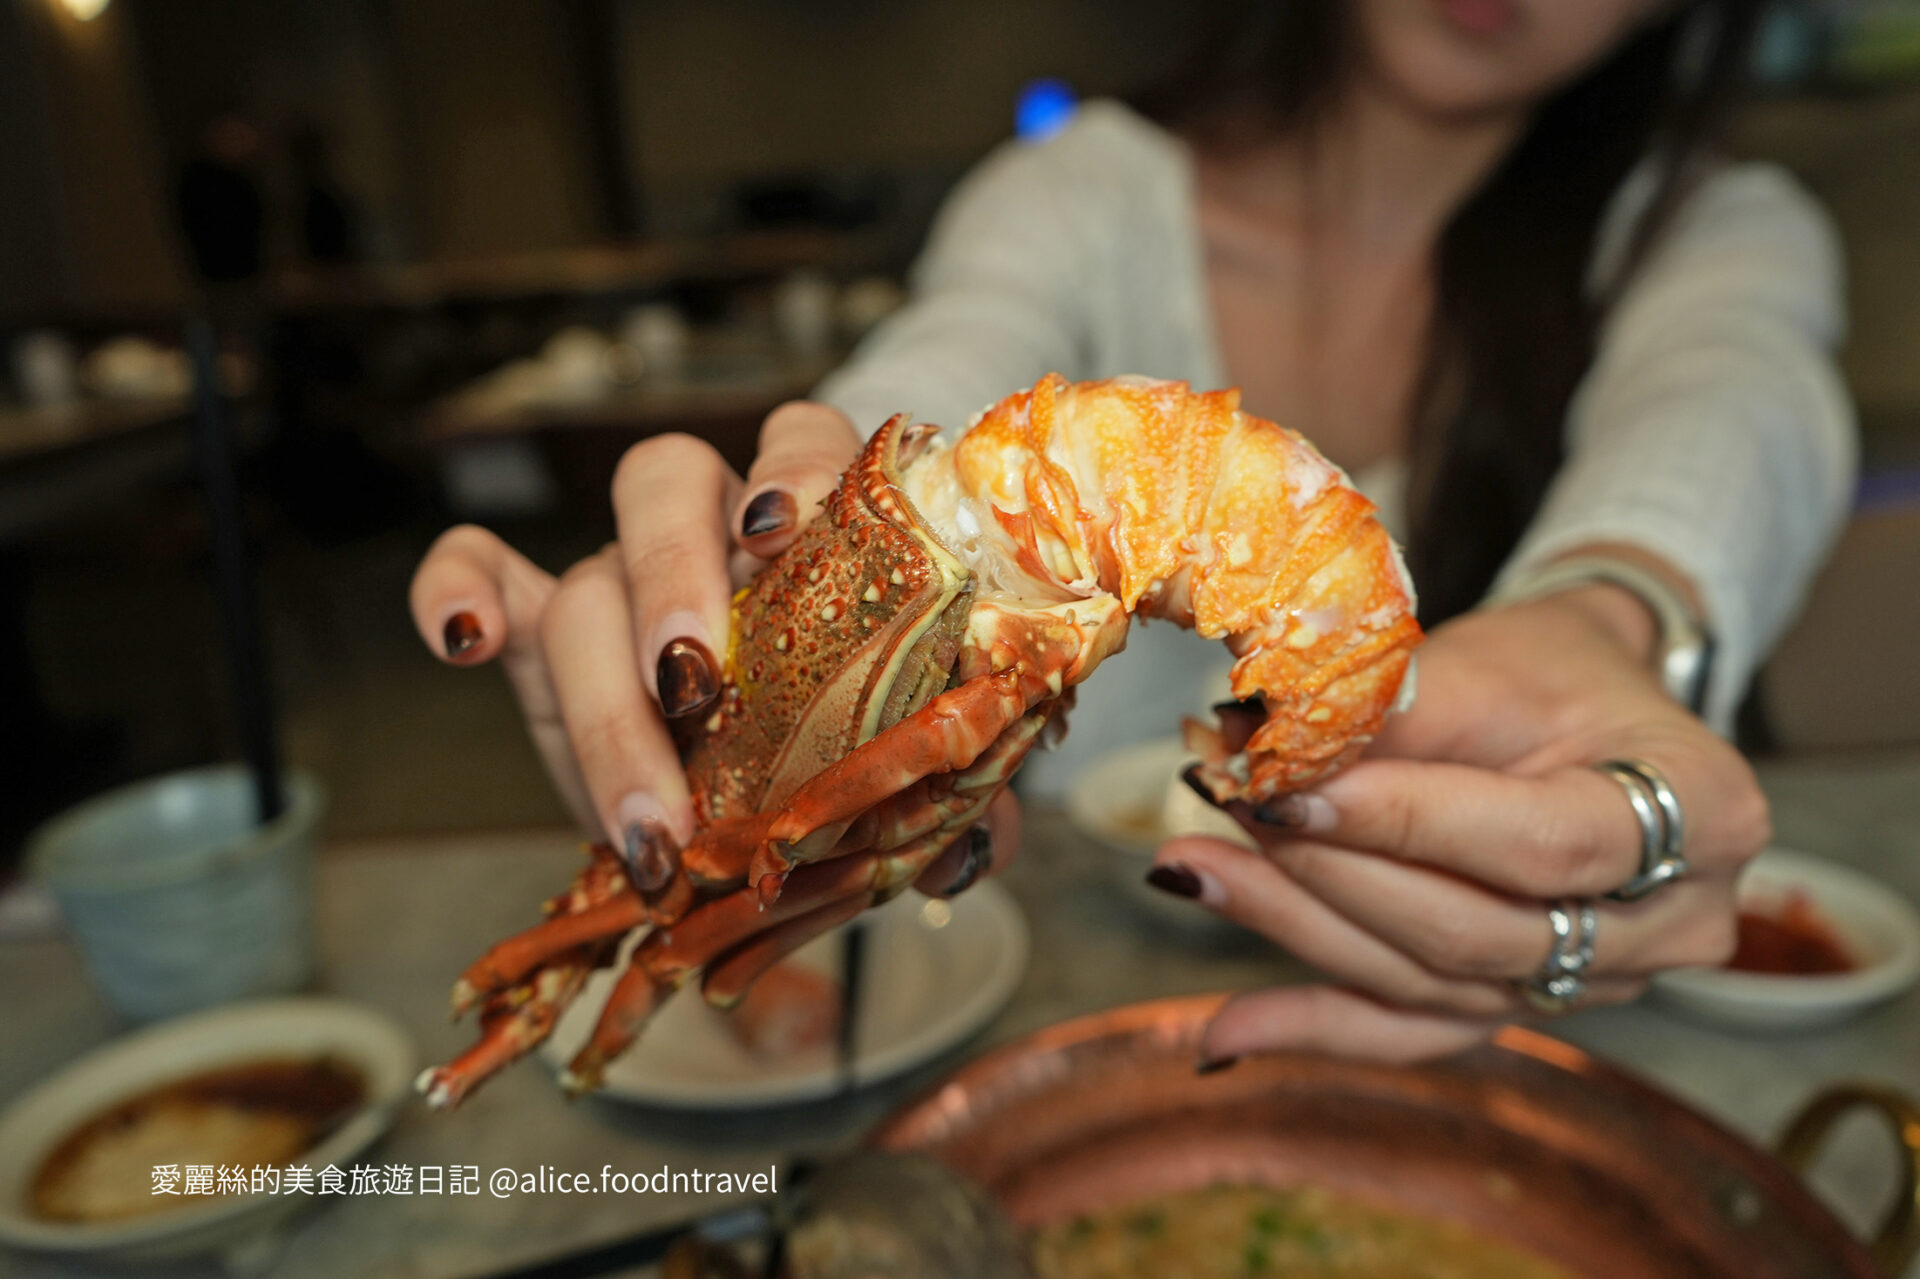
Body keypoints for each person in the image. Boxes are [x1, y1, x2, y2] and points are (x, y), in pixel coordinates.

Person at [408, 0, 1854, 1066]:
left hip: (1482, 1044)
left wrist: (1609, 614)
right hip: (1046, 1019)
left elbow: (1736, 406)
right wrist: (766, 521)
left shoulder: (1716, 232)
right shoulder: (1076, 197)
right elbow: (946, 360)